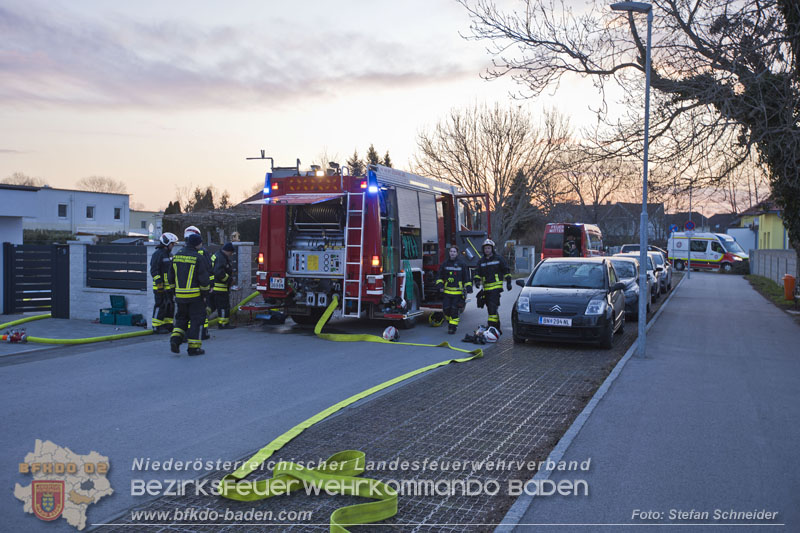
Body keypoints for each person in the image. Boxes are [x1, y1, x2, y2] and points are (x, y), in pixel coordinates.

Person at [169, 233, 210, 355]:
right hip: (195, 297)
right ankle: (194, 348)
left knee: (181, 319)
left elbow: (170, 277)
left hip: (180, 297)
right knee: (196, 321)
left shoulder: (176, 256)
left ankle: (175, 340)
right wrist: (205, 295)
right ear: (197, 244)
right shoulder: (198, 257)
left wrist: (174, 292)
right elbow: (204, 280)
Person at [473, 238, 511, 333]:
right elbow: (477, 272)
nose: (487, 250)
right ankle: (496, 327)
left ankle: (492, 327)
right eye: (485, 248)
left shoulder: (499, 259)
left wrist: (509, 282)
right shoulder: (481, 261)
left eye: (489, 248)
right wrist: (477, 281)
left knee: (492, 308)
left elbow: (506, 270)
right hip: (486, 289)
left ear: (492, 249)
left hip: (496, 289)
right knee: (490, 309)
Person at [435, 245, 472, 334]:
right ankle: (450, 321)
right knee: (446, 309)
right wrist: (440, 285)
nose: (452, 253)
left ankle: (452, 327)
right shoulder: (445, 264)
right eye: (451, 251)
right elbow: (439, 276)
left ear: (457, 253)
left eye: (454, 251)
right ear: (449, 252)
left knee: (454, 310)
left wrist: (468, 286)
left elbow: (466, 277)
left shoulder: (462, 264)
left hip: (457, 293)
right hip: (447, 292)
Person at [184, 226, 212, 340]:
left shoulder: (182, 252)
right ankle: (202, 333)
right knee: (200, 312)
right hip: (199, 289)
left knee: (186, 315)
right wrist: (209, 287)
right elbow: (208, 270)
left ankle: (188, 334)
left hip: (183, 290)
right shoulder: (203, 253)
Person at [150, 232, 178, 333]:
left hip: (169, 287)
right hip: (160, 287)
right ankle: (156, 326)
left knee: (170, 306)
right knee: (160, 305)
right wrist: (159, 284)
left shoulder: (170, 255)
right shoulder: (158, 254)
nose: (173, 246)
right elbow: (154, 270)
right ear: (167, 243)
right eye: (172, 244)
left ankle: (168, 324)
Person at [211, 242, 236, 329]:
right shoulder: (221, 258)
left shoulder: (218, 255)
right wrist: (229, 280)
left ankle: (222, 323)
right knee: (223, 306)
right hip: (220, 288)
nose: (231, 255)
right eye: (231, 253)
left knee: (214, 306)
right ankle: (223, 324)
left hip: (215, 287)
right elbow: (219, 273)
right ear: (228, 251)